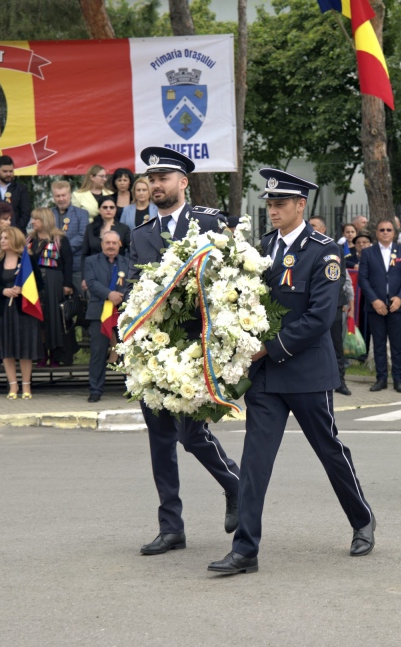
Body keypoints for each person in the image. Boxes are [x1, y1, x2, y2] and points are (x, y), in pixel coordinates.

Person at [208, 168, 374, 576]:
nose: (273, 210)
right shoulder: (263, 247)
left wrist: (269, 347)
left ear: (301, 205)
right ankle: (245, 549)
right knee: (255, 461)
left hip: (306, 373)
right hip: (266, 376)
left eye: (280, 203)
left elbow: (320, 316)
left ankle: (362, 519)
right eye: (269, 204)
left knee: (329, 450)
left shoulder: (324, 251)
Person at [127, 147, 240, 556]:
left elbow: (232, 280)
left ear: (183, 182)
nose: (156, 185)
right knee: (160, 441)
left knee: (192, 435)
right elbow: (135, 293)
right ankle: (171, 527)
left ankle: (236, 485)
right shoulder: (140, 234)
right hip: (153, 352)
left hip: (198, 347)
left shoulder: (209, 222)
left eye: (164, 178)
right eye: (151, 179)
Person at [359, 218, 401, 392]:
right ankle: (381, 379)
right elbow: (363, 279)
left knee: (398, 345)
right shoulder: (368, 253)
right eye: (381, 230)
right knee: (379, 344)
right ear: (376, 233)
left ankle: (398, 380)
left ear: (394, 233)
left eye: (388, 230)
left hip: (396, 306)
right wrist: (374, 300)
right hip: (376, 306)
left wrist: (400, 298)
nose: (385, 232)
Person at [0, 225, 41, 399]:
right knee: (6, 349)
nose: (2, 241)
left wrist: (23, 290)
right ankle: (13, 386)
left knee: (25, 349)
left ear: (15, 240)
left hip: (23, 312)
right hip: (2, 311)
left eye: (6, 238)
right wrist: (3, 291)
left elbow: (39, 284)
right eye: (1, 238)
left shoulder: (27, 259)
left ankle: (26, 386)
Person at [83, 230, 129, 403]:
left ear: (119, 245)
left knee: (127, 351)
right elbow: (91, 282)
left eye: (114, 243)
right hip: (99, 312)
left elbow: (132, 283)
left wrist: (120, 296)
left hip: (122, 312)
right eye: (107, 243)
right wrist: (109, 294)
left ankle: (131, 388)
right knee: (98, 352)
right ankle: (95, 390)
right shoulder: (90, 261)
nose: (111, 246)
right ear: (102, 244)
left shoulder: (127, 262)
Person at [310, 215, 352, 395]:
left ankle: (340, 381)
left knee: (335, 344)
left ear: (323, 229)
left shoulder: (333, 247)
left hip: (333, 304)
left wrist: (325, 292)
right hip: (310, 304)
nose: (310, 228)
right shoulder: (305, 247)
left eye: (314, 225)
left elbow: (340, 276)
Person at [26, 207, 74, 367]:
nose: (33, 222)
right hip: (34, 282)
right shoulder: (29, 239)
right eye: (33, 218)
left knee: (55, 318)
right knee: (39, 318)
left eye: (36, 219)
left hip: (54, 281)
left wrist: (67, 284)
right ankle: (41, 354)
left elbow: (68, 262)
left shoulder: (60, 239)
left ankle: (55, 354)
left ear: (45, 220)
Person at [50, 180, 90, 293]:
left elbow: (82, 236)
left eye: (64, 195)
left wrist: (63, 250)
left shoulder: (82, 213)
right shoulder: (48, 214)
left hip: (76, 265)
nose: (61, 199)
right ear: (53, 197)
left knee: (82, 298)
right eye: (58, 196)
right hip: (54, 266)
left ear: (70, 195)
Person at [82, 195, 130, 260]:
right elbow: (85, 254)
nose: (108, 209)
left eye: (111, 207)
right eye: (105, 207)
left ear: (116, 209)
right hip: (94, 265)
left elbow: (132, 250)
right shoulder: (90, 228)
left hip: (117, 265)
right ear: (99, 210)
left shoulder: (124, 229)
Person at [0, 155, 33, 230]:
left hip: (16, 232)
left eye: (11, 171)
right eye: (5, 171)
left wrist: (15, 230)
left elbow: (26, 214)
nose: (8, 174)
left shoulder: (21, 189)